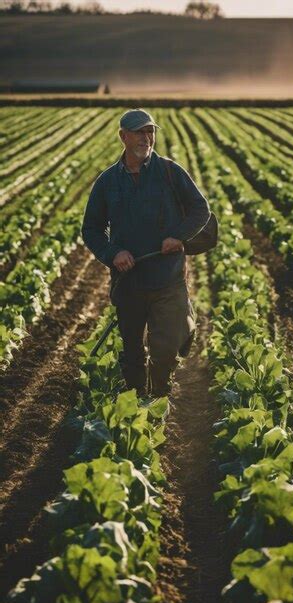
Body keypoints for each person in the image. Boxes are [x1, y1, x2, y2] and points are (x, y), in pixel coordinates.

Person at [81, 108, 210, 398]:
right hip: (129, 282)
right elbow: (91, 229)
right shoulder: (107, 182)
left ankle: (160, 399)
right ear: (122, 136)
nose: (145, 137)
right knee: (132, 352)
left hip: (168, 279)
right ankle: (136, 402)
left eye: (150, 131)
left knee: (165, 351)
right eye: (139, 131)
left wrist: (178, 236)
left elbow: (201, 209)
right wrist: (112, 253)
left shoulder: (169, 172)